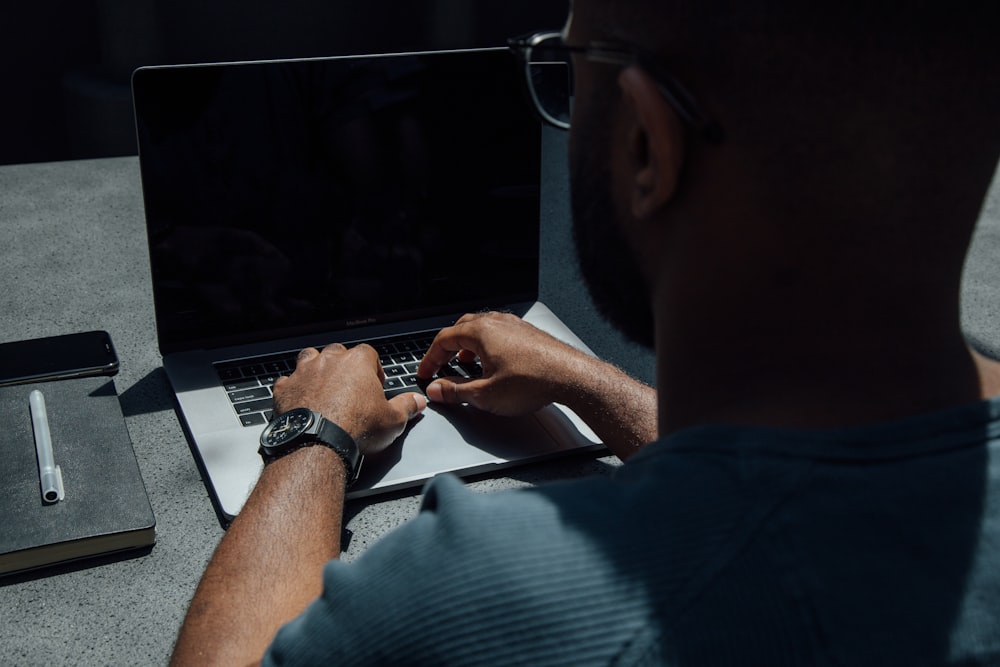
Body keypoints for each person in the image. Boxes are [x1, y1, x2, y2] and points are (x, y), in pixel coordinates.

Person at [170, 0, 1000, 664]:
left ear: (646, 144)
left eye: (570, 67)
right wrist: (589, 379)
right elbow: (794, 489)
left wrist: (314, 432)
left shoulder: (489, 597)